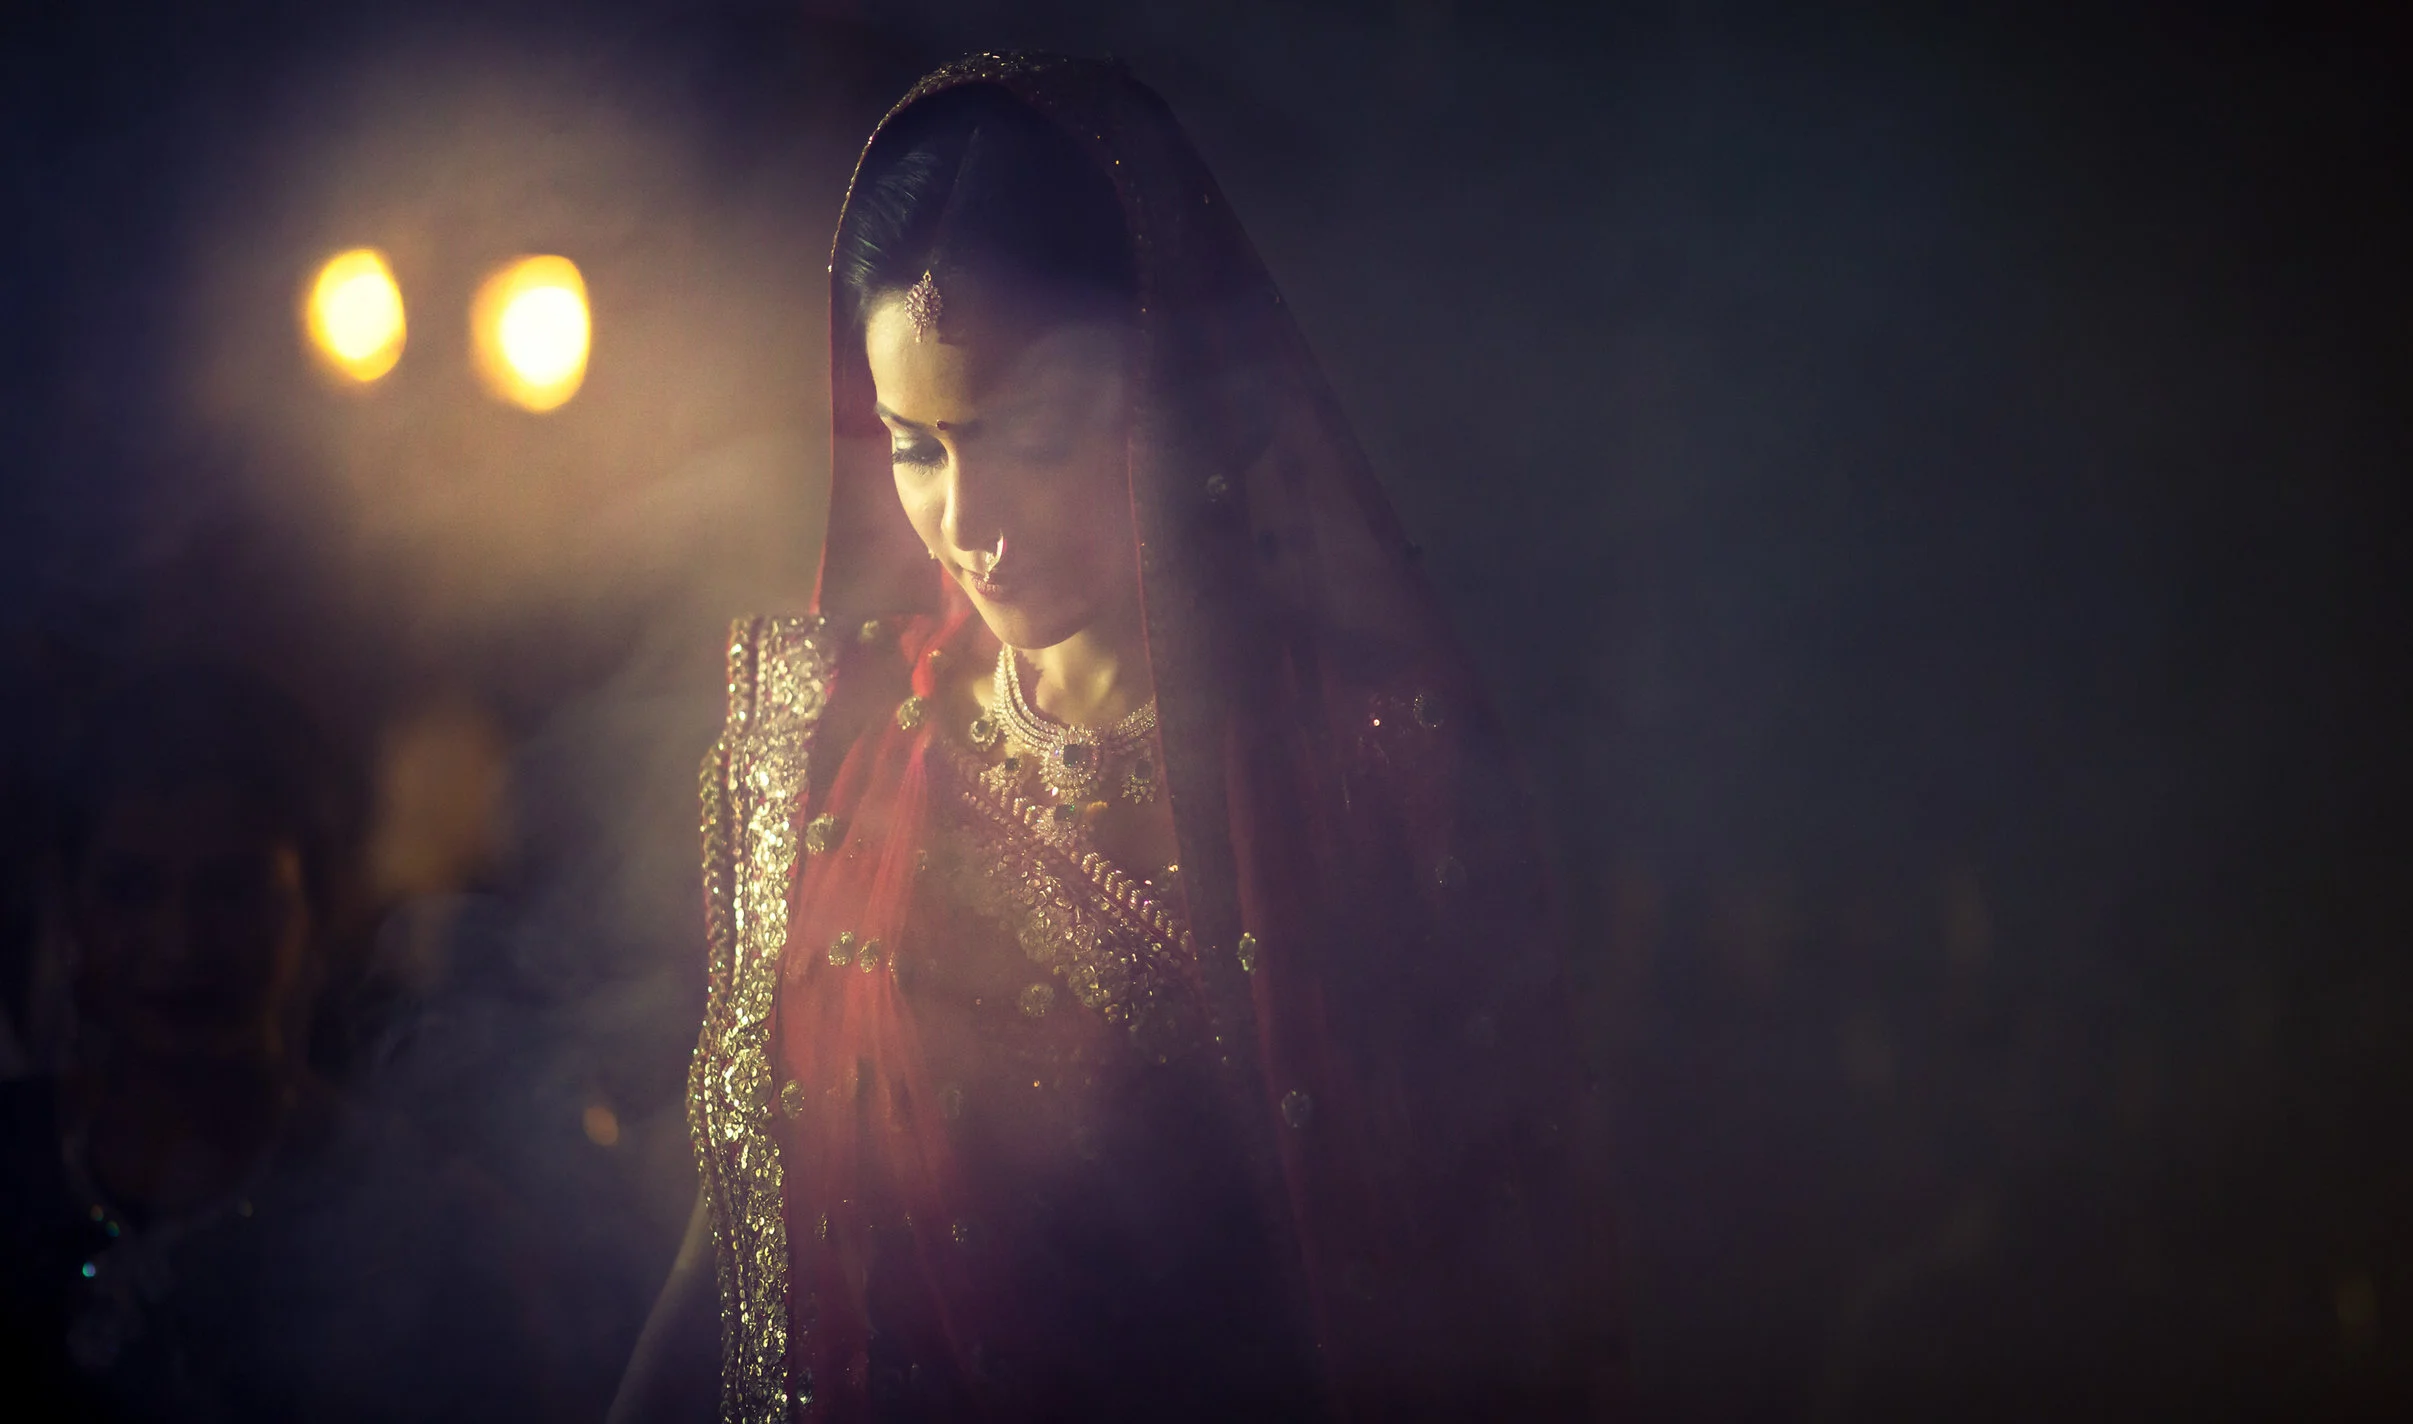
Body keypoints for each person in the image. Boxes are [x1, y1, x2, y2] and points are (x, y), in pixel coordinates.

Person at [615, 54, 1610, 1423]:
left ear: (1169, 393)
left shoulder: (1362, 771)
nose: (974, 523)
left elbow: (1482, 1280)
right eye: (916, 444)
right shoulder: (826, 744)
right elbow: (742, 1238)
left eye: (1036, 434)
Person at [0, 663, 545, 1420]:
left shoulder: (422, 1227)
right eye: (131, 889)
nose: (179, 945)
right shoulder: (14, 1164)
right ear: (71, 908)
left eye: (231, 891)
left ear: (319, 909)